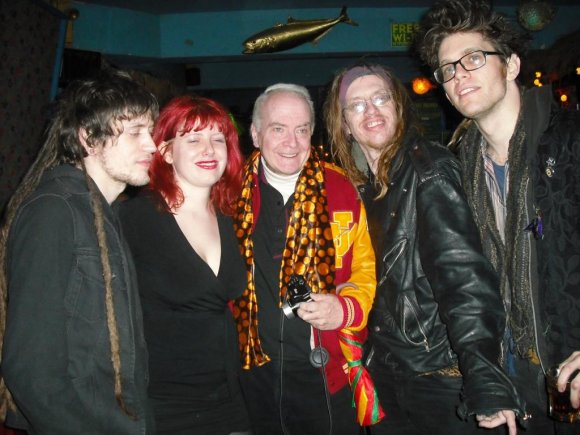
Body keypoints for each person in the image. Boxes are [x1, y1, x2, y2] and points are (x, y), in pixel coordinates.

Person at [323, 63, 527, 435]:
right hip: (384, 371)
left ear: (398, 107)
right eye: (356, 105)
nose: (371, 111)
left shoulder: (427, 170)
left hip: (440, 376)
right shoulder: (357, 189)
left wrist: (485, 377)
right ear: (344, 124)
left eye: (381, 98)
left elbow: (464, 278)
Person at [416, 1, 580, 433]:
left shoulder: (568, 143)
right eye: (447, 69)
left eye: (473, 59)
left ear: (510, 66)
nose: (459, 75)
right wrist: (487, 380)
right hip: (510, 385)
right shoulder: (455, 171)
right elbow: (464, 286)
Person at [0, 69, 158, 434]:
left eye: (149, 131)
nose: (151, 144)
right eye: (135, 132)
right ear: (89, 138)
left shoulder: (102, 210)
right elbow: (31, 367)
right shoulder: (54, 212)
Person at [232, 83, 378, 435]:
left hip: (323, 374)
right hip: (249, 375)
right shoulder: (226, 192)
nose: (292, 142)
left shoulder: (344, 190)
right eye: (278, 129)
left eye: (302, 130)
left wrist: (343, 309)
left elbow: (367, 269)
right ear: (255, 134)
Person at [118, 95, 251, 435]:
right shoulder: (135, 218)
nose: (209, 149)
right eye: (193, 139)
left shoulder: (230, 215)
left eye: (218, 139)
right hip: (160, 404)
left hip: (228, 397)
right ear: (165, 152)